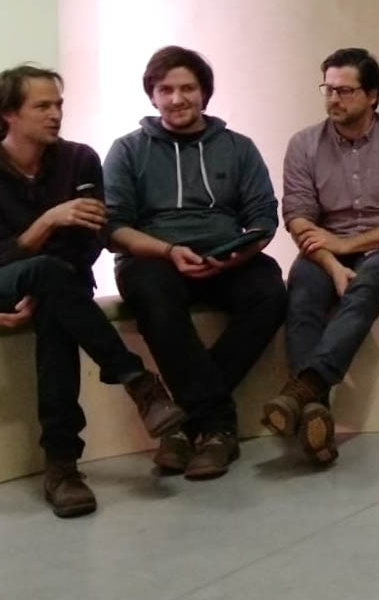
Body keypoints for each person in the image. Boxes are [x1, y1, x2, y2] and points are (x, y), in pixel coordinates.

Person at [0, 65, 183, 517]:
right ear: (8, 114)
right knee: (46, 275)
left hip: (57, 284)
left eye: (58, 105)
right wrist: (48, 220)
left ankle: (62, 466)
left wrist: (45, 287)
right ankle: (137, 382)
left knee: (56, 312)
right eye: (42, 106)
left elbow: (89, 241)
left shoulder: (79, 159)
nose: (55, 114)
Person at [104, 46, 287, 480]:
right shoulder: (127, 150)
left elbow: (263, 217)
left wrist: (233, 257)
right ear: (152, 96)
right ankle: (218, 425)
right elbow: (113, 226)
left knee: (269, 290)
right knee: (152, 292)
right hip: (154, 258)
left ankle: (184, 421)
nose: (176, 98)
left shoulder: (237, 148)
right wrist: (167, 252)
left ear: (205, 93)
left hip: (226, 257)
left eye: (187, 88)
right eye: (165, 89)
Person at [263, 48, 379, 465]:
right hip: (324, 251)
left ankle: (305, 386)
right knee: (302, 291)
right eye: (328, 89)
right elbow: (298, 217)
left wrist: (348, 248)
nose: (333, 99)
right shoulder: (303, 144)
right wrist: (333, 262)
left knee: (368, 287)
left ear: (373, 95)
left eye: (345, 90)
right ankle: (315, 410)